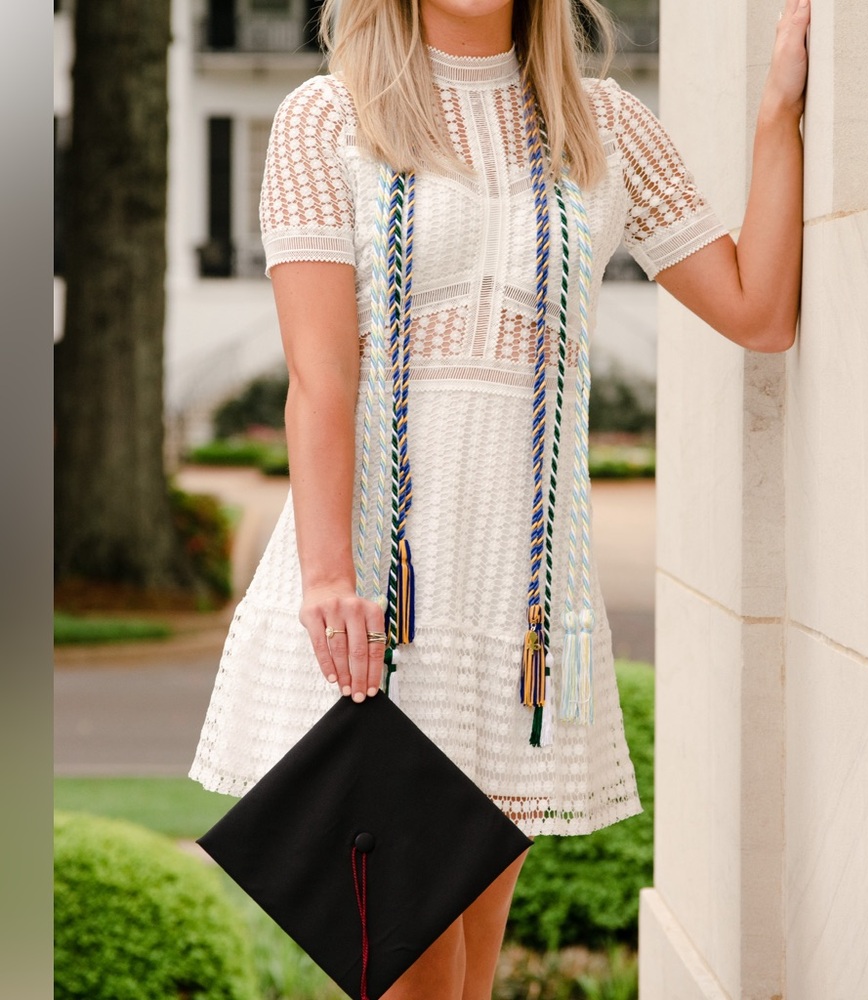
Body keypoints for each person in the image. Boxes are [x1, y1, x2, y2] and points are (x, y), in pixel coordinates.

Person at [190, 0, 809, 996]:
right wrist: (327, 576)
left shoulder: (603, 126)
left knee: (466, 974)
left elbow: (759, 309)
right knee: (414, 970)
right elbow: (320, 378)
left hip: (518, 618)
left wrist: (778, 113)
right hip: (383, 611)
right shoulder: (328, 118)